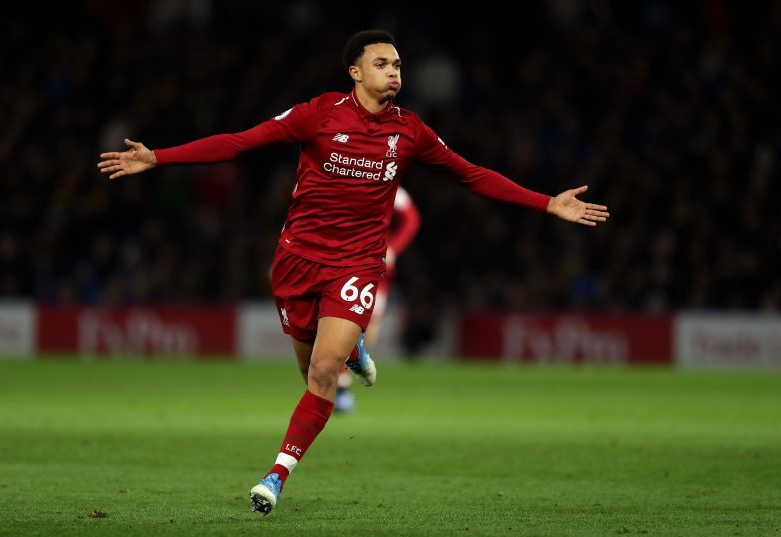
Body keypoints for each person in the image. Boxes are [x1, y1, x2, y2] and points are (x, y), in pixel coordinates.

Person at [97, 29, 609, 516]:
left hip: (359, 263)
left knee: (324, 373)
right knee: (309, 373)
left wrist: (547, 203)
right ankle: (355, 347)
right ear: (355, 72)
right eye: (382, 64)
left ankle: (275, 475)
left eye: (398, 65)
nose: (394, 73)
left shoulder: (410, 132)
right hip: (297, 260)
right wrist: (158, 158)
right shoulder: (317, 115)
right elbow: (239, 142)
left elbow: (470, 174)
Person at [334, 185, 421, 413]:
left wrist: (394, 247)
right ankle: (341, 386)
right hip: (343, 259)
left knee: (366, 329)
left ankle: (348, 368)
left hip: (376, 264)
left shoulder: (387, 182)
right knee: (341, 321)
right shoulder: (339, 174)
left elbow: (412, 217)